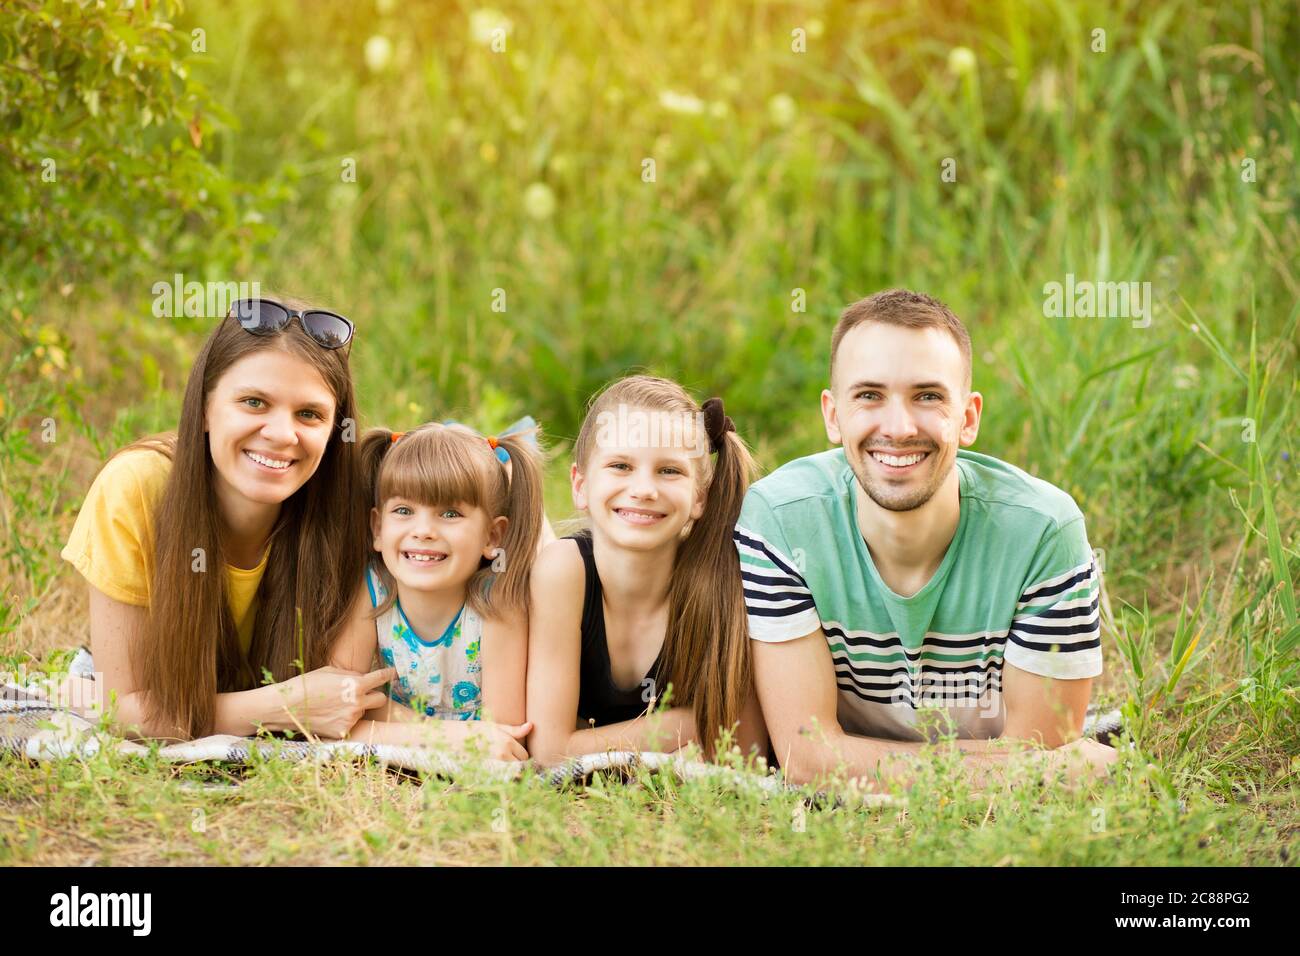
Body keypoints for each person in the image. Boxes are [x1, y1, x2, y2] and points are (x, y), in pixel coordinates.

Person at [735, 289, 1118, 789]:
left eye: (928, 396)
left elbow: (1040, 753)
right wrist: (1015, 769)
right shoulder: (781, 521)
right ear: (832, 415)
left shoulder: (1043, 532)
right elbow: (805, 758)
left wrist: (852, 762)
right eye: (869, 395)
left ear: (969, 417)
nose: (898, 427)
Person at [60, 297, 395, 741]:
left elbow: (341, 704)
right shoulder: (136, 487)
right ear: (203, 408)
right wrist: (287, 707)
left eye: (309, 414)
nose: (281, 434)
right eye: (254, 402)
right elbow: (122, 708)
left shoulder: (350, 503)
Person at [526, 375, 768, 766]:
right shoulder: (563, 571)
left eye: (669, 471)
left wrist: (590, 742)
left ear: (699, 497)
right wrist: (691, 727)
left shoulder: (723, 579)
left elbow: (747, 750)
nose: (643, 489)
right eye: (621, 465)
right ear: (580, 485)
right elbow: (551, 751)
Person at [326, 420, 545, 760]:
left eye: (449, 513)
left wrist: (385, 724)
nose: (423, 530)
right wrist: (451, 737)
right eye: (403, 511)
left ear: (492, 537)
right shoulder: (372, 588)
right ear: (378, 528)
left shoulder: (498, 602)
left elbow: (505, 736)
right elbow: (338, 709)